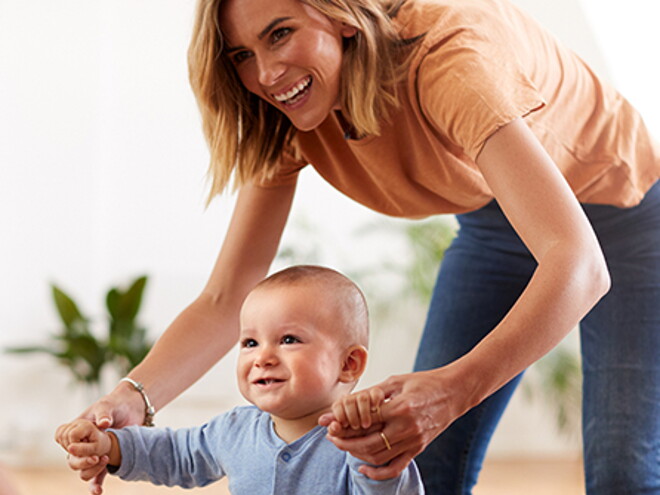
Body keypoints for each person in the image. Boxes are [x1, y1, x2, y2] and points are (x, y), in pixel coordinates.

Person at [60, 0, 660, 494]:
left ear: (340, 15)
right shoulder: (288, 117)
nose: (266, 74)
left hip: (626, 217)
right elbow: (228, 297)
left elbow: (577, 262)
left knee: (621, 470)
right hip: (493, 222)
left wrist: (451, 391)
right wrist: (131, 397)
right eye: (243, 54)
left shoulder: (449, 60)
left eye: (281, 33)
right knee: (419, 463)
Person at [55, 265, 424, 494]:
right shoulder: (234, 430)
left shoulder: (363, 440)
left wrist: (376, 455)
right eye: (250, 342)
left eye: (289, 340)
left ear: (349, 364)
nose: (262, 357)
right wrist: (108, 444)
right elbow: (176, 455)